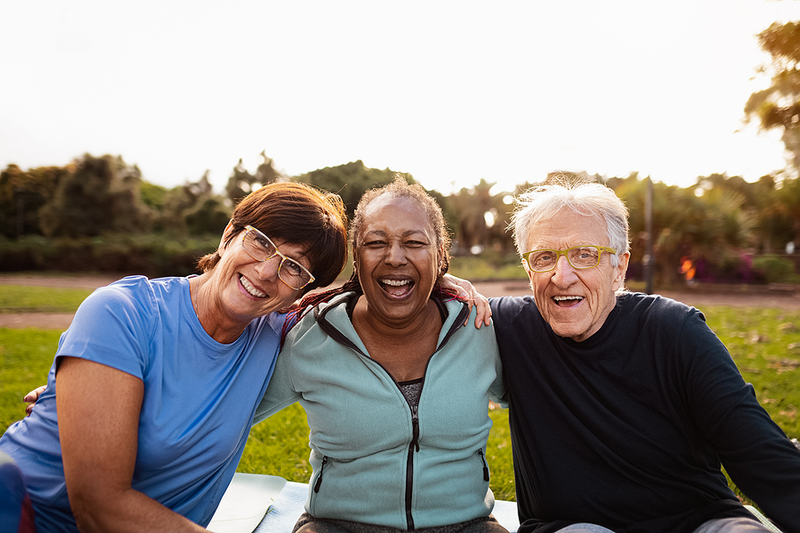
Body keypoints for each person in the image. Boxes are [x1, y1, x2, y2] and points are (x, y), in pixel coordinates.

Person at [0, 181, 349, 533]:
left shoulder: (280, 334)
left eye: (294, 267)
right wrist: (83, 388)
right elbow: (99, 507)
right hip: (22, 514)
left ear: (303, 289)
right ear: (229, 234)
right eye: (261, 242)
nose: (266, 271)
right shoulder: (122, 312)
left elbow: (373, 305)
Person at [487, 176, 800, 533]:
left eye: (585, 255)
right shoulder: (509, 327)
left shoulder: (675, 330)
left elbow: (758, 452)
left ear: (619, 267)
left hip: (699, 521)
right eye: (544, 257)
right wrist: (448, 284)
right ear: (529, 269)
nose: (562, 276)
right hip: (572, 527)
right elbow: (427, 308)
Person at [255, 178, 508, 533]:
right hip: (336, 525)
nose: (394, 256)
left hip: (467, 525)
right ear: (356, 259)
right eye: (376, 243)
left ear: (441, 257)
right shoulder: (310, 336)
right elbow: (230, 416)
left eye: (415, 243)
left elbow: (544, 406)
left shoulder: (481, 328)